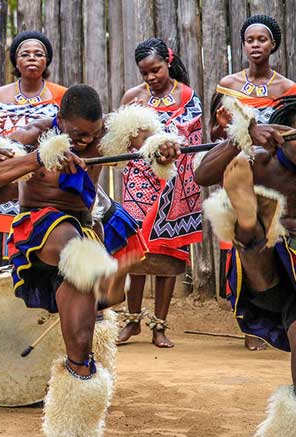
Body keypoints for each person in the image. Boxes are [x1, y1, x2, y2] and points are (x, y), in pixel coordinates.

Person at [0, 84, 164, 437]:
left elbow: (147, 137)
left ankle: (74, 434)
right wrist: (40, 159)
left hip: (84, 227)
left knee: (79, 341)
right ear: (60, 120)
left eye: (92, 135)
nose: (86, 141)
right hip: (42, 228)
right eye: (78, 135)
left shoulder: (108, 132)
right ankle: (100, 278)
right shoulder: (33, 134)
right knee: (70, 244)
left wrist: (162, 146)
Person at [195, 86, 296, 437]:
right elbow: (203, 175)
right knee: (255, 232)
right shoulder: (262, 158)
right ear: (282, 135)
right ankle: (249, 220)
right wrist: (242, 136)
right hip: (269, 273)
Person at [211, 14, 296, 351]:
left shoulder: (286, 88)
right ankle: (250, 325)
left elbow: (291, 132)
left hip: (272, 175)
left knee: (273, 242)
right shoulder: (228, 84)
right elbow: (215, 134)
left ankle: (281, 319)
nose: (255, 45)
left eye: (262, 39)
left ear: (273, 44)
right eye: (250, 40)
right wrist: (223, 128)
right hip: (236, 172)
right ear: (243, 44)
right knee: (242, 241)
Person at [115, 38, 203, 348]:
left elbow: (194, 139)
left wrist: (170, 150)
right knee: (135, 250)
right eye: (145, 73)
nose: (151, 78)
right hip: (139, 181)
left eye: (156, 70)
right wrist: (133, 125)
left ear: (168, 62)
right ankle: (132, 321)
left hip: (176, 183)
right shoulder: (133, 97)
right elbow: (119, 142)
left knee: (167, 251)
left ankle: (159, 327)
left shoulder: (188, 96)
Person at [0, 30, 67, 273]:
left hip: (43, 187)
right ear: (16, 60)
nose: (32, 58)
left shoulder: (61, 97)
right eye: (25, 54)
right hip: (2, 186)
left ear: (47, 61)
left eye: (39, 54)